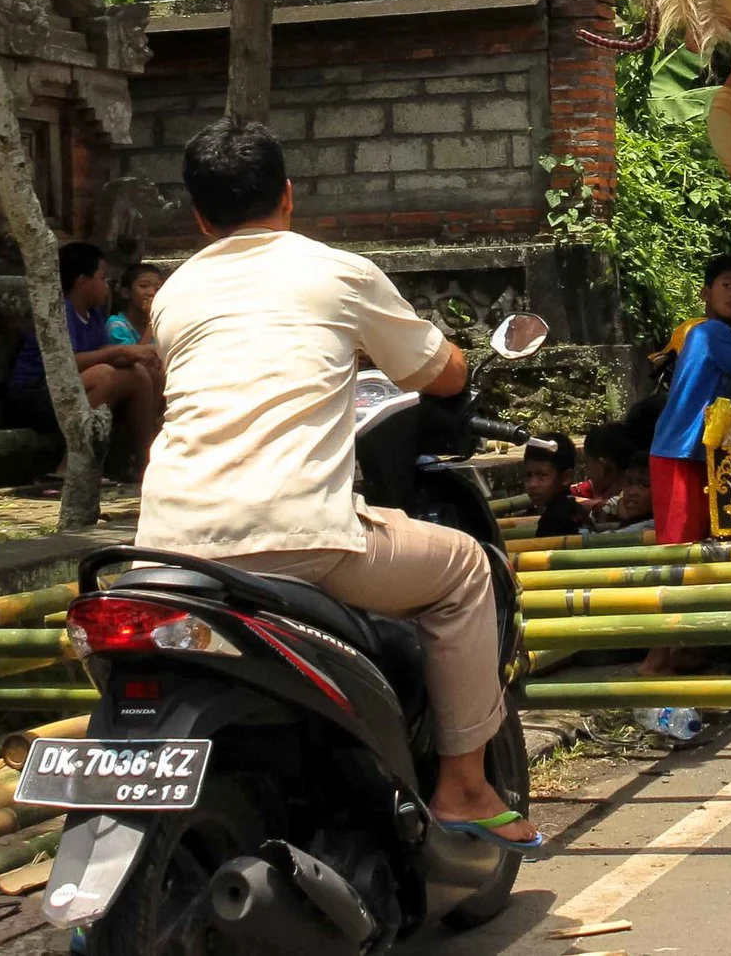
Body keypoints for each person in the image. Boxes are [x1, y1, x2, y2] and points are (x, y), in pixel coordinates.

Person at [136, 119, 544, 851]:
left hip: (166, 551)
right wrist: (451, 361)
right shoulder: (335, 271)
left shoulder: (173, 293)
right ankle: (463, 785)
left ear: (199, 216)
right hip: (296, 539)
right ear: (289, 196)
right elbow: (439, 371)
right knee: (464, 570)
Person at [642, 256, 731, 680]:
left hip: (697, 453)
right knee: (680, 556)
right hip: (680, 452)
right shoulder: (710, 332)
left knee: (697, 550)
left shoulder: (718, 337)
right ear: (706, 293)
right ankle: (654, 662)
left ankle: (684, 649)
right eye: (728, 285)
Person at [5, 241, 162, 471]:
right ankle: (72, 465)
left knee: (143, 373)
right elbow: (66, 363)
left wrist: (136, 355)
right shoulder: (59, 313)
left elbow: (101, 353)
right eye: (102, 278)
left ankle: (140, 462)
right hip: (36, 394)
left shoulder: (94, 315)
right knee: (103, 376)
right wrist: (120, 350)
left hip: (70, 389)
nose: (106, 285)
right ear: (82, 282)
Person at [523, 435, 584, 538]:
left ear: (566, 478)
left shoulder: (553, 520)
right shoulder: (576, 509)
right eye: (528, 475)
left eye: (542, 475)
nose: (532, 484)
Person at [107, 260, 165, 347]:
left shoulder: (162, 324)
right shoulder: (116, 325)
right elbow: (137, 357)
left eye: (158, 288)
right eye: (143, 286)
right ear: (125, 293)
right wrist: (152, 322)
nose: (152, 292)